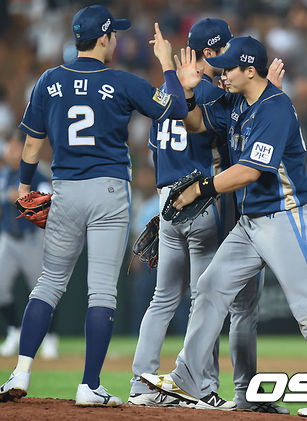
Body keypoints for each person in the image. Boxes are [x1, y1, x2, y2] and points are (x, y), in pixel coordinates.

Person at [140, 36, 307, 418]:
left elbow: (250, 171)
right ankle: (187, 379)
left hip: (287, 216)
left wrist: (201, 189)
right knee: (210, 286)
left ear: (250, 71)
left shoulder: (275, 107)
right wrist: (187, 93)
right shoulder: (237, 102)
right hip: (252, 221)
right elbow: (195, 123)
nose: (221, 74)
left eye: (228, 68)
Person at [0, 4, 188, 406]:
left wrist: (24, 187)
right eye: (113, 33)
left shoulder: (49, 80)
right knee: (101, 291)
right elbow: (175, 109)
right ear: (104, 38)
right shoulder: (121, 81)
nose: (115, 39)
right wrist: (167, 65)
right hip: (108, 192)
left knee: (49, 284)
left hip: (65, 190)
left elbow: (31, 143)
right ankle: (89, 386)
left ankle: (20, 371)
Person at [128, 18, 287, 413]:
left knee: (162, 299)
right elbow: (240, 151)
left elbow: (158, 148)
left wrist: (167, 67)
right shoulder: (215, 94)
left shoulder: (163, 93)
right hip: (203, 202)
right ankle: (203, 388)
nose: (230, 59)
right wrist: (269, 95)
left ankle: (139, 384)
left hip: (168, 201)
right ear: (211, 53)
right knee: (206, 299)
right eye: (225, 51)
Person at [0, 131, 58, 360]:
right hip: (8, 239)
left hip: (32, 239)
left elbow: (49, 202)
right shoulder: (5, 174)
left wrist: (25, 198)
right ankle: (14, 330)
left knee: (44, 291)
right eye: (10, 147)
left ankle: (50, 337)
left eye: (15, 147)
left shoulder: (37, 172)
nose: (10, 152)